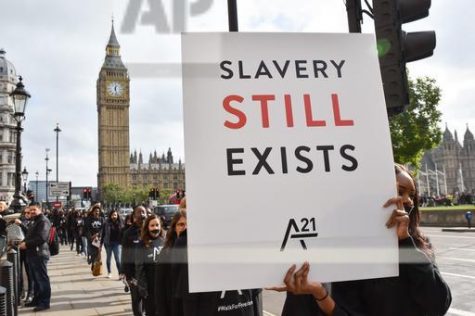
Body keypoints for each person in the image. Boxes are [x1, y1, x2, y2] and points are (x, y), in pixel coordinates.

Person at [273, 164, 452, 316]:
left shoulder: (418, 243)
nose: (407, 200)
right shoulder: (351, 251)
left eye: (411, 194)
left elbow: (438, 304)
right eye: (400, 191)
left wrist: (405, 241)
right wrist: (320, 293)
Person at [18, 202, 52, 312]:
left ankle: (44, 302)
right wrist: (22, 242)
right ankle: (37, 300)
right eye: (30, 210)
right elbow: (29, 235)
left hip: (39, 254)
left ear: (40, 209)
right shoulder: (35, 220)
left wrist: (26, 244)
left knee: (42, 279)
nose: (32, 212)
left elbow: (41, 238)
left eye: (34, 210)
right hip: (32, 254)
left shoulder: (43, 221)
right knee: (36, 279)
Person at [135, 214, 165, 315]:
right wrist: (143, 289)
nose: (155, 228)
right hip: (150, 289)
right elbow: (139, 268)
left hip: (164, 287)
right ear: (147, 227)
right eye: (152, 225)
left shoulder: (165, 241)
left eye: (157, 225)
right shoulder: (141, 244)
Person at [122, 205, 147, 316]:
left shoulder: (151, 230)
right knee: (137, 301)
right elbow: (125, 254)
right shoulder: (128, 233)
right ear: (134, 216)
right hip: (135, 274)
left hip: (149, 273)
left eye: (144, 212)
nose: (142, 214)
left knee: (148, 301)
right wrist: (127, 275)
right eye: (139, 212)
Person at [101, 209, 124, 278]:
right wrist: (100, 244)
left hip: (117, 243)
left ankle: (120, 273)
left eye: (115, 215)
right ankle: (109, 272)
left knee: (118, 259)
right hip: (108, 243)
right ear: (110, 215)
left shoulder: (120, 223)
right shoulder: (106, 223)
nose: (114, 216)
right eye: (113, 215)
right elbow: (103, 234)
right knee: (108, 258)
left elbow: (123, 233)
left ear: (117, 216)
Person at [84, 204, 104, 271]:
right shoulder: (89, 219)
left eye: (98, 211)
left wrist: (98, 234)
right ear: (93, 212)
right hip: (91, 238)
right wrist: (91, 236)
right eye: (95, 211)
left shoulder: (101, 219)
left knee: (97, 252)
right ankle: (92, 260)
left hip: (98, 239)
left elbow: (103, 229)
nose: (97, 212)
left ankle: (95, 264)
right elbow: (87, 229)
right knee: (92, 251)